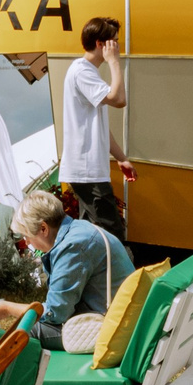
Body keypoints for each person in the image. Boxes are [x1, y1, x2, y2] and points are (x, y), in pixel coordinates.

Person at [0, 194, 135, 349]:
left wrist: (8, 308)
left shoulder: (73, 247)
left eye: (26, 235)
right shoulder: (80, 230)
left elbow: (55, 313)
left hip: (112, 329)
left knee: (21, 334)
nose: (26, 241)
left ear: (43, 229)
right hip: (122, 318)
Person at [60, 17, 133, 239]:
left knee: (93, 235)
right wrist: (114, 63)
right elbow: (119, 100)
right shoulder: (82, 71)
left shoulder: (87, 72)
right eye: (115, 42)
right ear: (101, 44)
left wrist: (121, 158)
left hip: (88, 170)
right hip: (87, 171)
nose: (118, 47)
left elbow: (98, 127)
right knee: (112, 235)